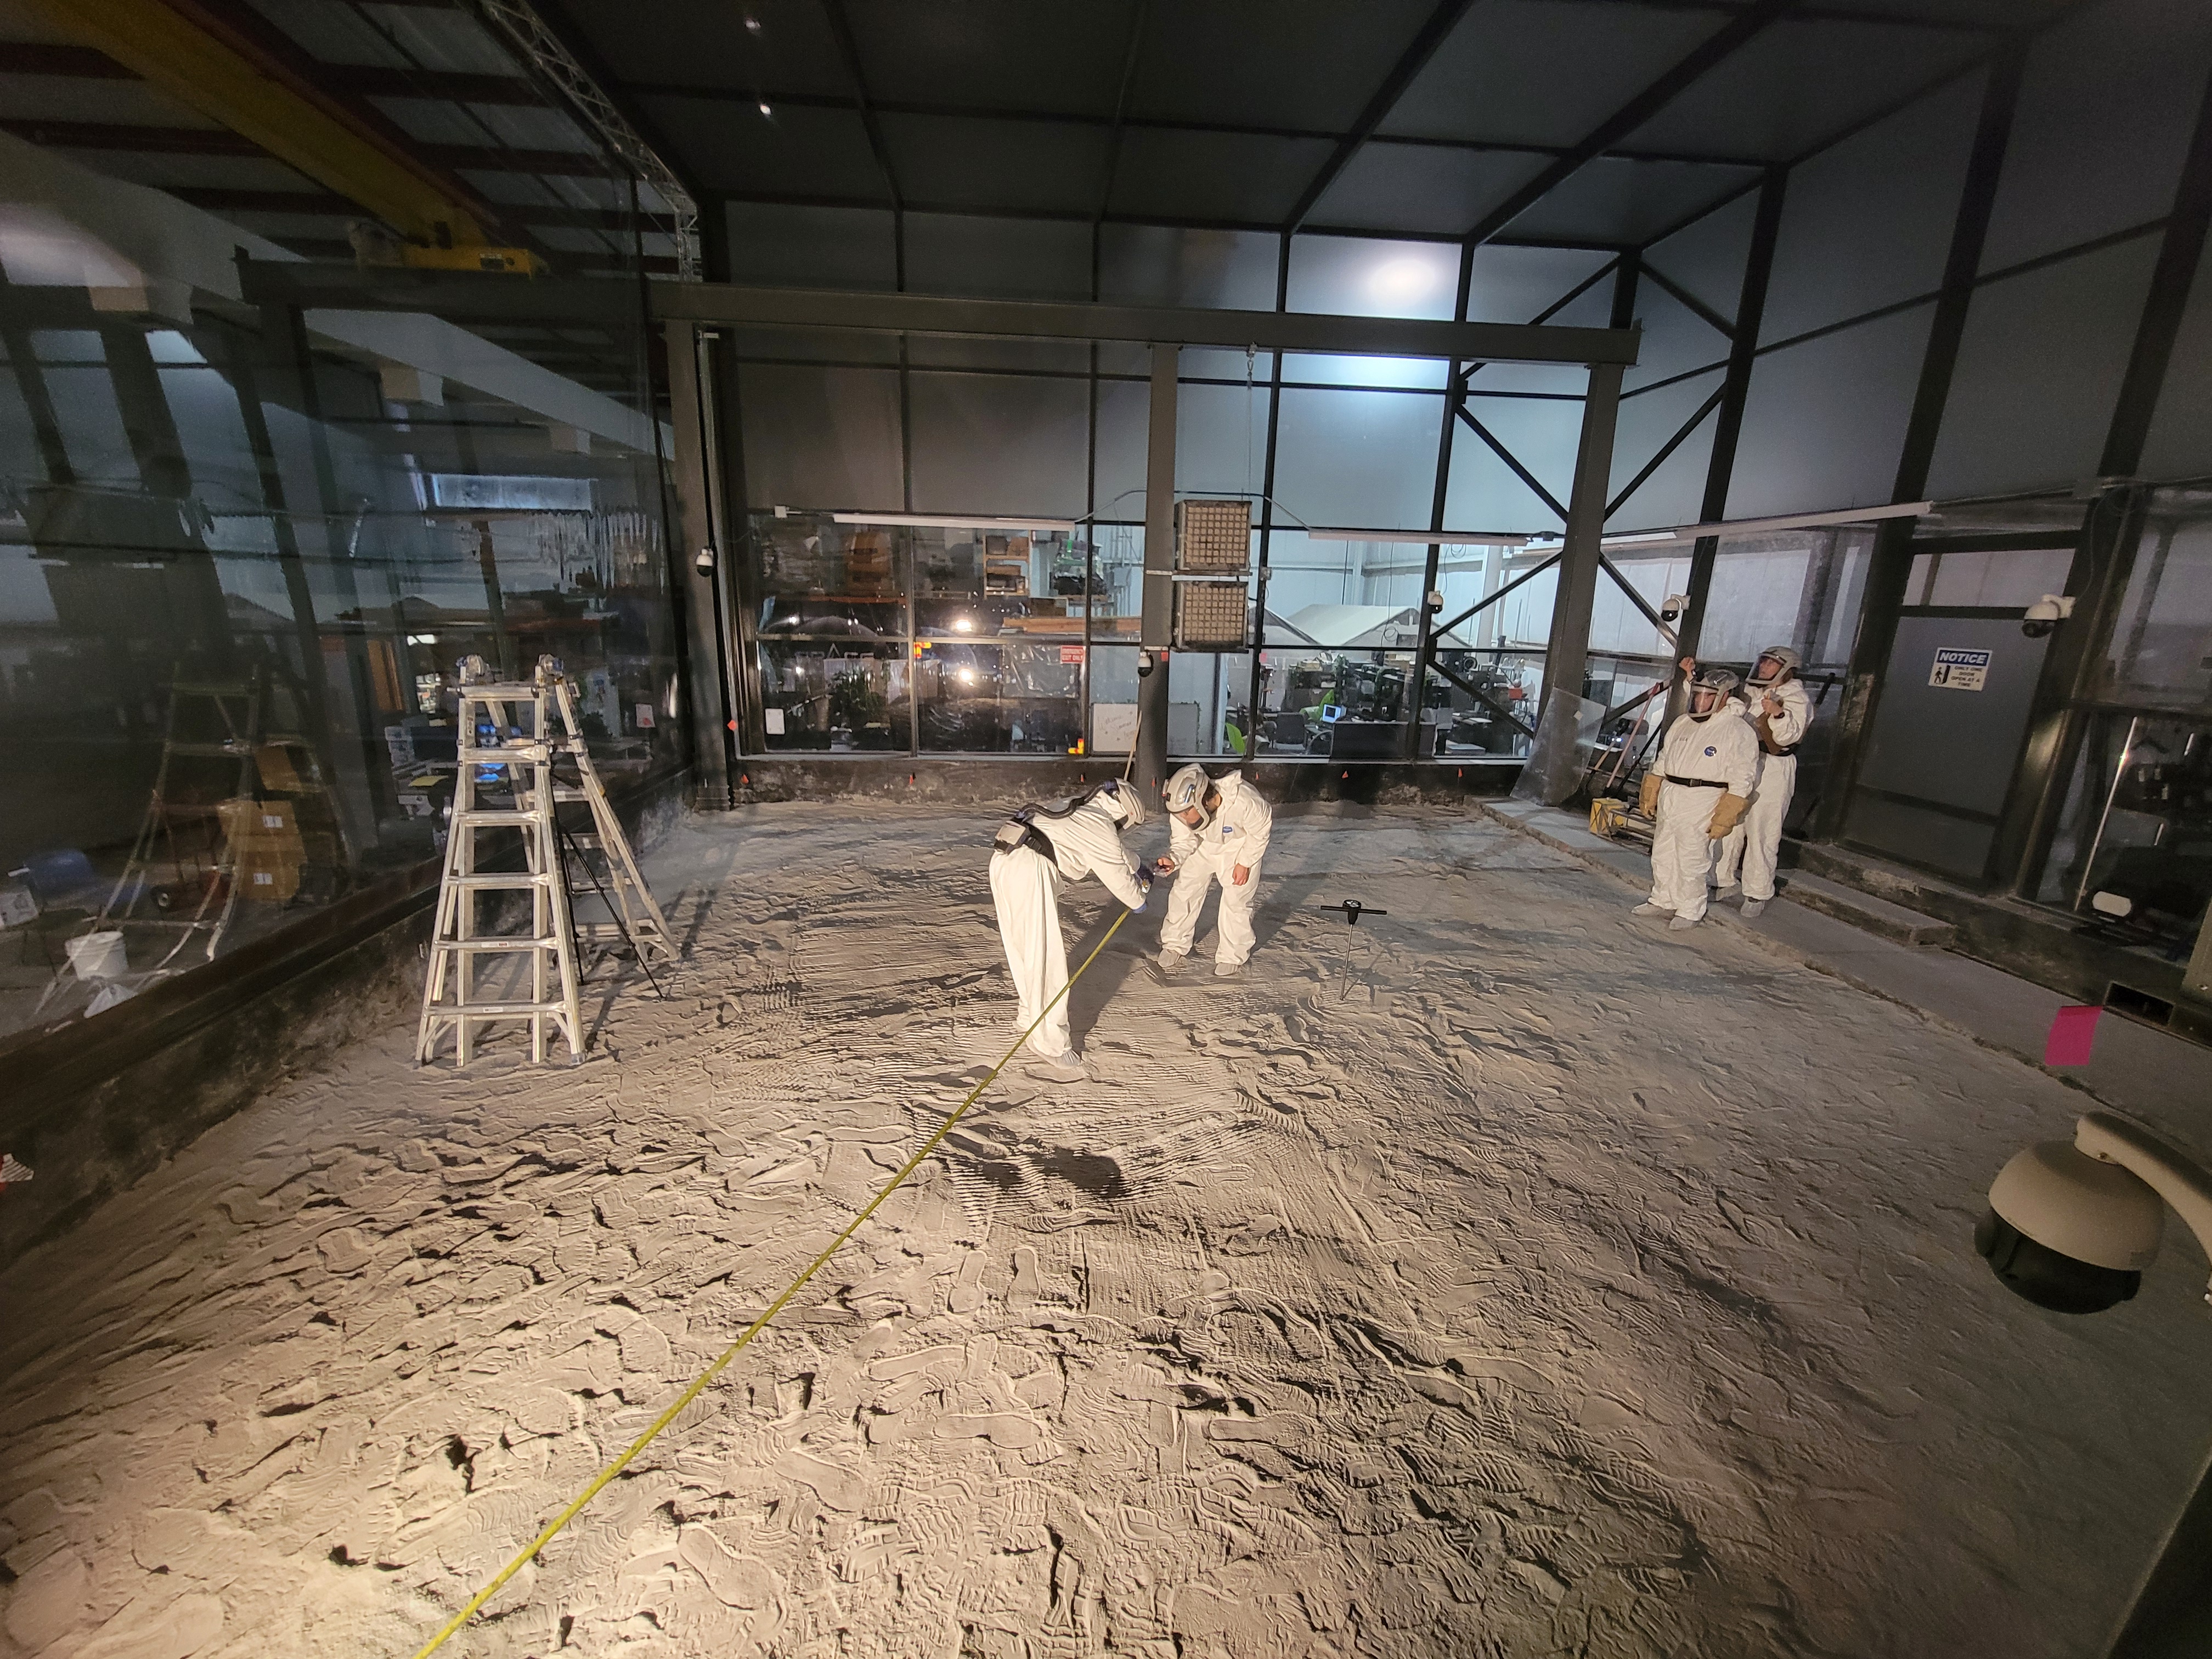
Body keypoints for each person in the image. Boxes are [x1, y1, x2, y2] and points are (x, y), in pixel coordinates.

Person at [988, 778, 1165, 1084]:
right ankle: (1050, 1043)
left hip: (1004, 860)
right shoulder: (1099, 826)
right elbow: (1121, 880)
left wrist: (1142, 868)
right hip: (1032, 870)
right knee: (1046, 956)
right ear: (1123, 815)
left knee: (1023, 948)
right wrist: (1139, 899)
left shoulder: (1077, 809)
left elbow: (1116, 853)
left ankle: (1030, 1016)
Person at [1634, 663, 1757, 930]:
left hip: (1705, 796)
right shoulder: (1682, 722)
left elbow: (1742, 777)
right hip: (1673, 792)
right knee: (1664, 850)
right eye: (1698, 694)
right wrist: (1652, 789)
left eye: (1709, 695)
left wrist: (1727, 813)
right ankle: (1663, 898)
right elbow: (1664, 758)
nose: (1701, 700)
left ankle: (1690, 907)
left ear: (1725, 696)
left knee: (1692, 855)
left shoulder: (1738, 731)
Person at [1712, 645, 1812, 918]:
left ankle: (1757, 891)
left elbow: (1788, 738)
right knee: (1732, 821)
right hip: (1746, 762)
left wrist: (1778, 714)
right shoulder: (1753, 693)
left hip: (1774, 767)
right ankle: (1722, 880)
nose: (1765, 667)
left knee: (1763, 830)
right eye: (1764, 662)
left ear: (1786, 668)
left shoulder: (1796, 698)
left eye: (1771, 664)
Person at [1154, 763, 1273, 980]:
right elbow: (1183, 839)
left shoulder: (1245, 800)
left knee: (1236, 900)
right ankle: (1175, 943)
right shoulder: (1182, 807)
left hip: (1238, 845)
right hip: (1203, 844)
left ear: (1202, 799)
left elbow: (1260, 830)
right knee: (1185, 891)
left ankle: (1232, 955)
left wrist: (1245, 862)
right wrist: (1174, 859)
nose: (1183, 818)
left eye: (1186, 813)